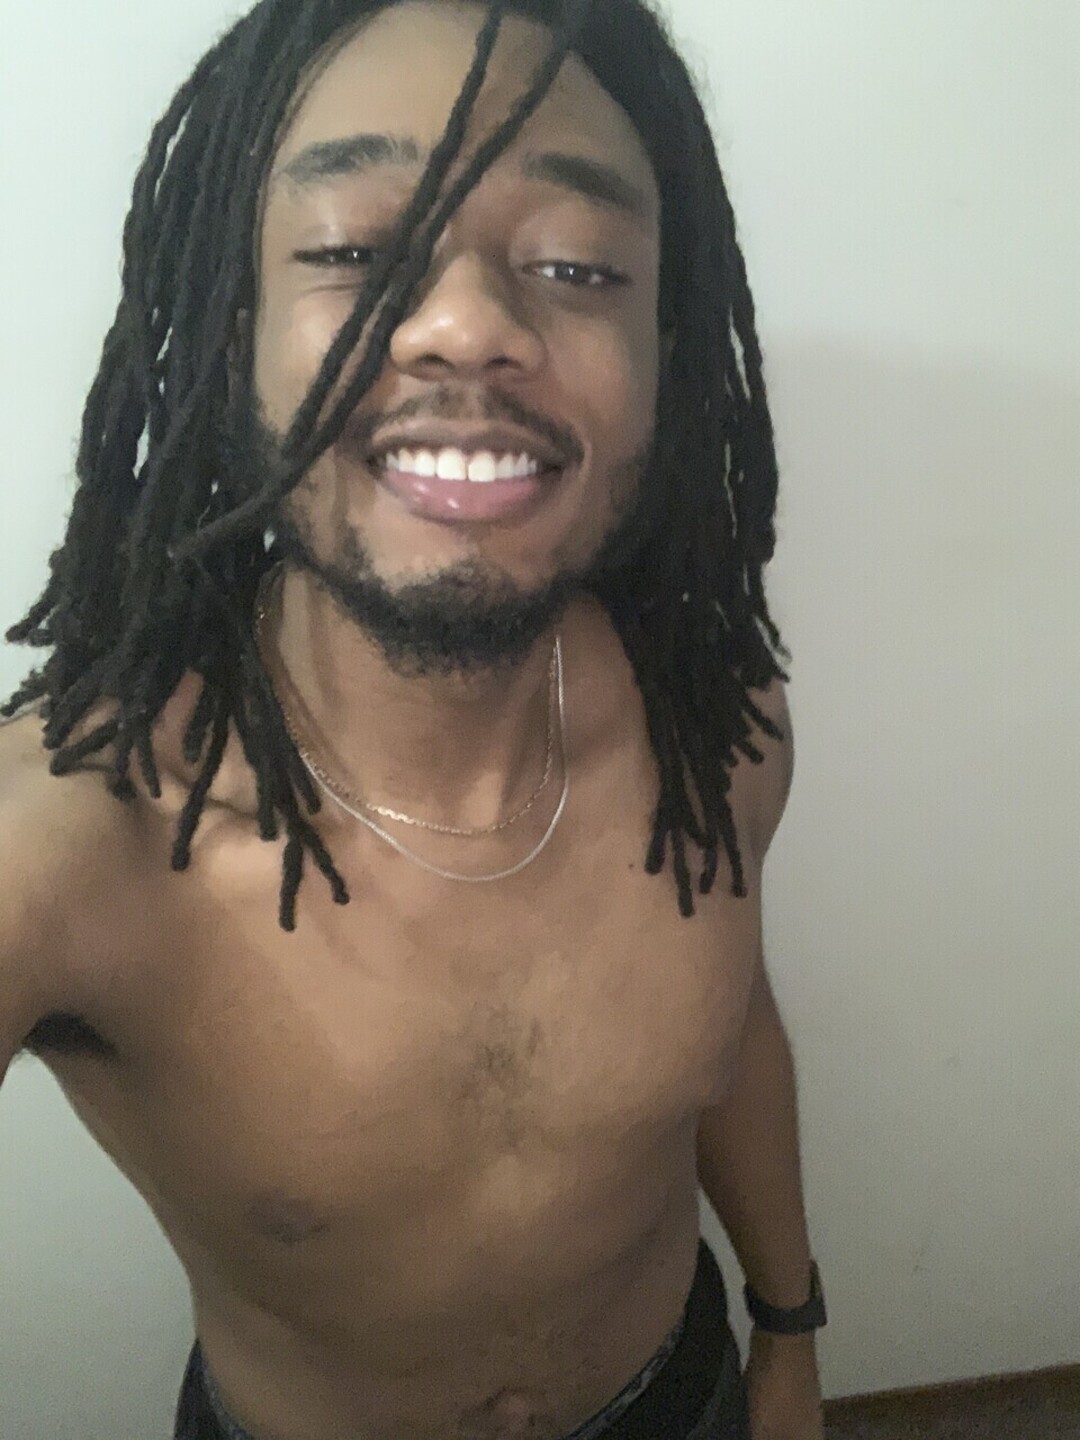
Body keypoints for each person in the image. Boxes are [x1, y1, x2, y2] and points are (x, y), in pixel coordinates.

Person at [0, 0, 829, 1435]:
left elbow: (728, 1039)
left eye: (577, 265)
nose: (468, 327)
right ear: (235, 329)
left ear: (666, 352)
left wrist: (791, 1329)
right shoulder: (73, 848)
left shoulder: (720, 738)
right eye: (351, 252)